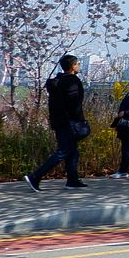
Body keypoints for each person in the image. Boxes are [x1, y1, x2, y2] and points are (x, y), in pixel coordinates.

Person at [25, 54, 89, 191]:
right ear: (72, 66)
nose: (78, 66)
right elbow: (74, 104)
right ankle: (35, 176)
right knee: (63, 151)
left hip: (58, 121)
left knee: (72, 151)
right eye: (77, 63)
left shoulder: (56, 81)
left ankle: (72, 180)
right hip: (70, 122)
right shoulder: (72, 81)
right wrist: (79, 119)